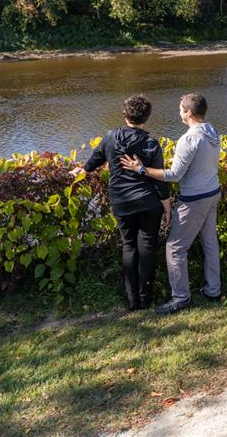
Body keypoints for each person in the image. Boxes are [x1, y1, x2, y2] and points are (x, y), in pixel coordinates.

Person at [121, 93, 222, 315]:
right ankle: (213, 290)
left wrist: (141, 170)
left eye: (180, 110)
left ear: (189, 113)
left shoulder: (188, 139)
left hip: (194, 199)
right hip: (213, 193)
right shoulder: (212, 131)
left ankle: (181, 298)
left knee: (175, 247)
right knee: (210, 243)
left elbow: (174, 175)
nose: (179, 113)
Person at [72, 94, 170, 311]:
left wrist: (82, 170)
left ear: (125, 115)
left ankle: (132, 300)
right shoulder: (151, 143)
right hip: (148, 203)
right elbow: (160, 179)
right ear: (147, 117)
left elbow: (94, 160)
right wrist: (167, 205)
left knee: (129, 246)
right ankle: (146, 298)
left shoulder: (111, 137)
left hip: (121, 202)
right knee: (147, 248)